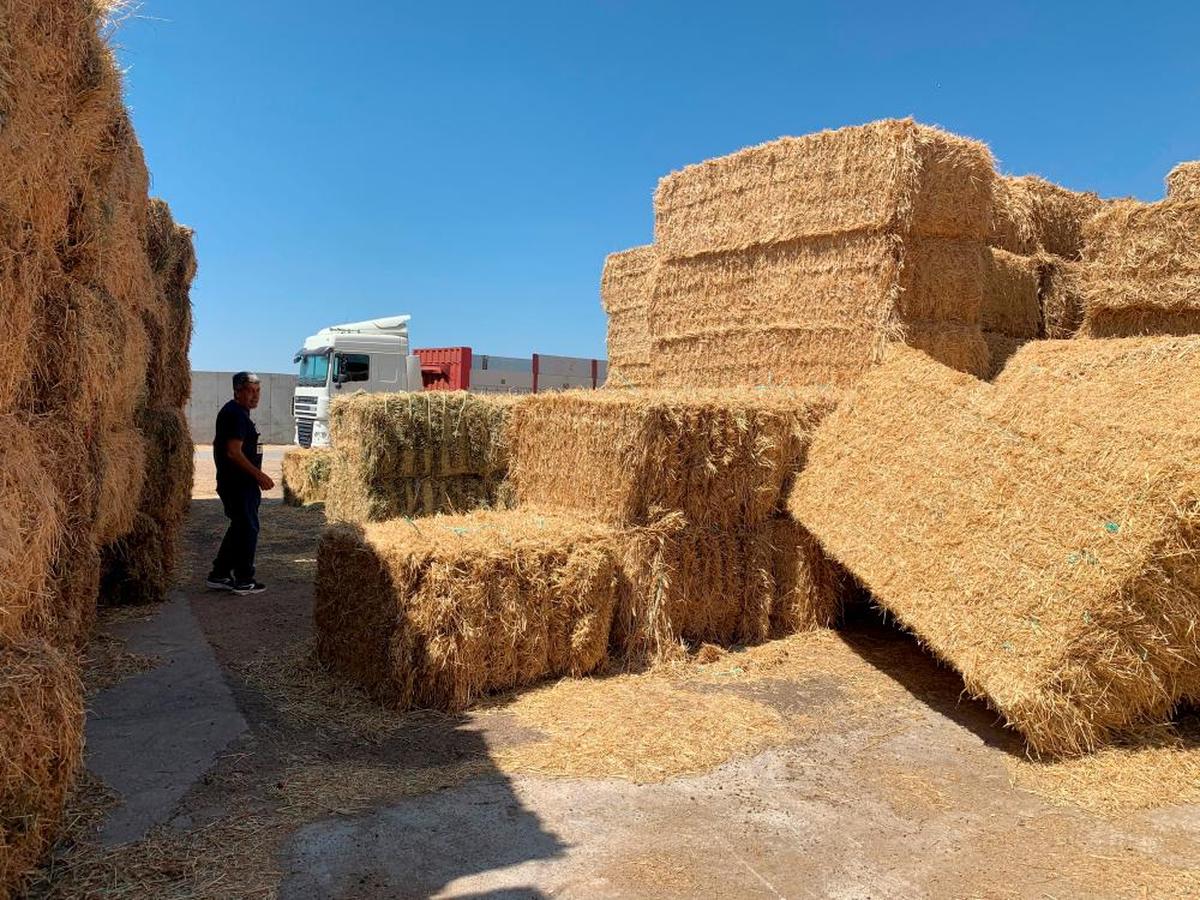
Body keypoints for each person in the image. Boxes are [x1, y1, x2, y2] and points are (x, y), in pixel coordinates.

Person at [206, 371, 274, 595]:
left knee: (239, 528)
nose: (255, 396)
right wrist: (259, 475)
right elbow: (233, 452)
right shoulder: (235, 414)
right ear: (237, 391)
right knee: (247, 529)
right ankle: (244, 579)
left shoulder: (236, 412)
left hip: (237, 483)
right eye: (249, 391)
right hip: (238, 483)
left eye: (258, 391)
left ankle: (220, 574)